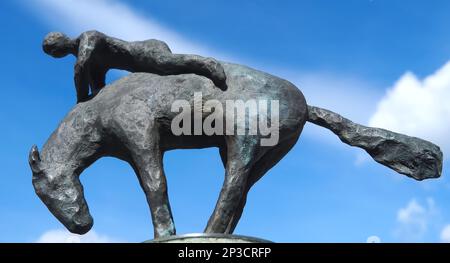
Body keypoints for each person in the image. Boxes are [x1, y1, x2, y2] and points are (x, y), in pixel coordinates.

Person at [43, 31, 227, 103]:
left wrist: (79, 100)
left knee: (166, 64)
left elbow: (80, 66)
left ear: (61, 38)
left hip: (144, 51)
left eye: (51, 48)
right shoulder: (91, 67)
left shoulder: (88, 38)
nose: (53, 53)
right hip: (138, 68)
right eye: (50, 53)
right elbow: (99, 91)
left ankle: (206, 63)